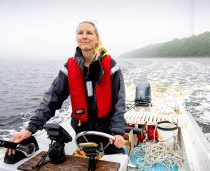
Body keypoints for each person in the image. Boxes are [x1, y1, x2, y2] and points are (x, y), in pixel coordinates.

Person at [8, 21, 126, 155]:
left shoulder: (110, 65)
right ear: (77, 38)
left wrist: (118, 132)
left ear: (97, 39)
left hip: (108, 129)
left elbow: (119, 101)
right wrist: (30, 128)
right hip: (82, 130)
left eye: (89, 33)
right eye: (80, 33)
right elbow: (52, 99)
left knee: (118, 161)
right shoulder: (69, 68)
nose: (84, 36)